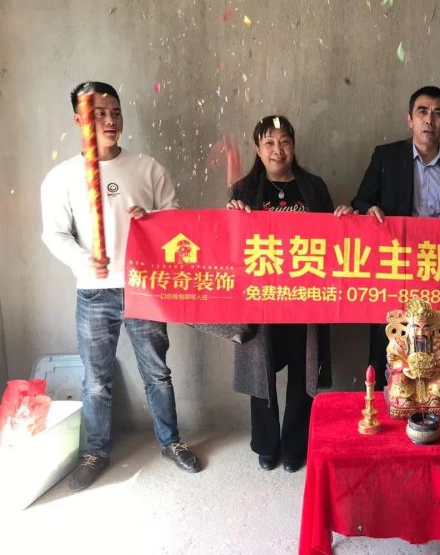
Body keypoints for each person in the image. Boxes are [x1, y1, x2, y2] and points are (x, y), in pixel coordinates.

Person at [40, 81, 201, 492]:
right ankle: (95, 452)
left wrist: (153, 221)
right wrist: (84, 260)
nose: (110, 120)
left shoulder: (147, 168)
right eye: (98, 114)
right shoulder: (62, 177)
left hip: (144, 288)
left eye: (115, 112)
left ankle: (171, 442)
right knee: (96, 379)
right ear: (79, 120)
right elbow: (54, 234)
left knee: (158, 373)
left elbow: (176, 220)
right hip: (94, 293)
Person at [334, 86, 440, 388]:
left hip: (438, 270)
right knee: (387, 346)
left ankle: (429, 407)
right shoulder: (386, 157)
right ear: (409, 119)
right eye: (422, 111)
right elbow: (361, 200)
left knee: (432, 344)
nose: (430, 119)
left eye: (438, 113)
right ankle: (383, 403)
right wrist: (368, 208)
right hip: (393, 269)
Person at [227, 115, 333, 472]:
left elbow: (334, 239)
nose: (277, 149)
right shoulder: (244, 189)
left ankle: (294, 447)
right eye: (269, 143)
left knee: (303, 375)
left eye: (284, 141)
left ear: (294, 145)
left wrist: (344, 217)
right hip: (261, 300)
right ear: (258, 149)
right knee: (262, 374)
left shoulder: (314, 187)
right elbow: (231, 244)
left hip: (305, 298)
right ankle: (267, 445)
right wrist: (233, 215)